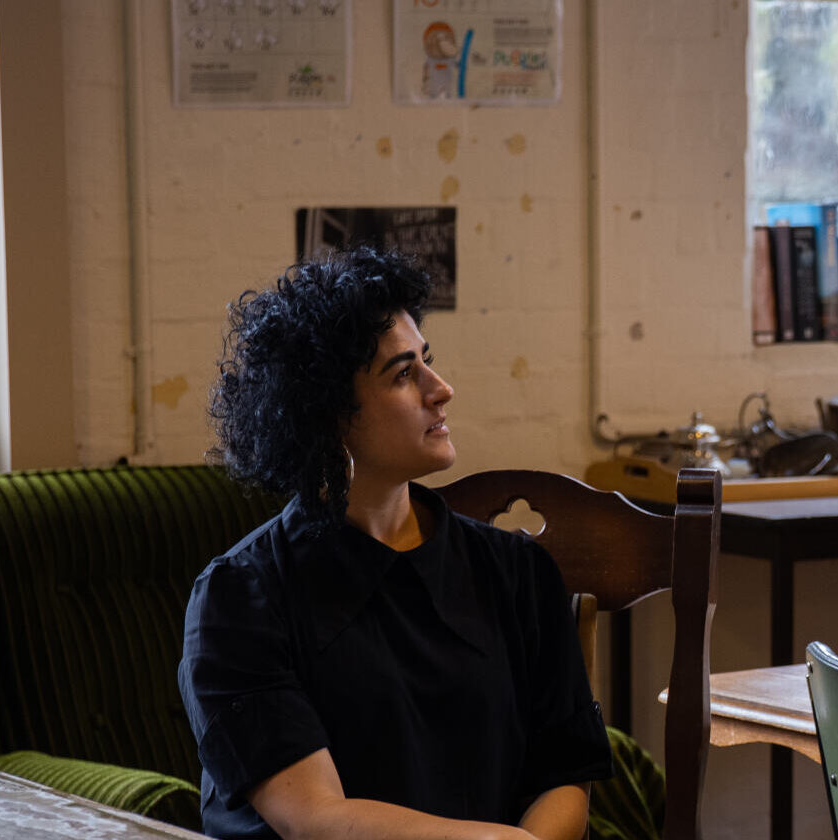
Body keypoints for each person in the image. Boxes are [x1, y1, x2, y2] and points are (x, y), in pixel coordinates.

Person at [179, 247, 613, 840]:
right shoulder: (242, 598)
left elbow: (564, 777)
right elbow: (317, 820)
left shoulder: (516, 571)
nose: (443, 389)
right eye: (404, 374)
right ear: (328, 415)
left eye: (427, 362)